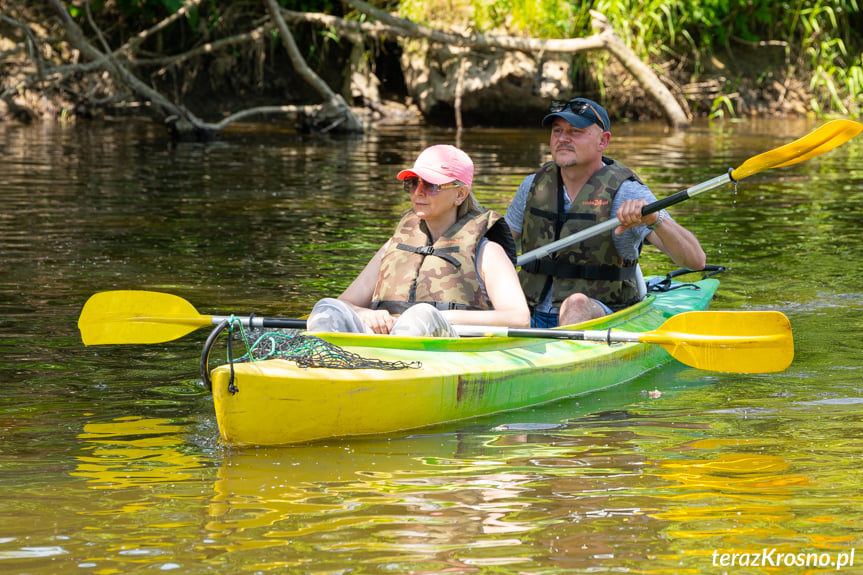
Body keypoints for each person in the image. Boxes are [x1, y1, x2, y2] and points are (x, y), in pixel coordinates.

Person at [505, 97, 706, 328]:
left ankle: (567, 359)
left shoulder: (627, 192)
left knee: (576, 304)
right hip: (526, 310)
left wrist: (654, 218)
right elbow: (500, 249)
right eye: (557, 131)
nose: (562, 139)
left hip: (603, 312)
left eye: (575, 131)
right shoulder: (532, 186)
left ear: (603, 141)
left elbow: (696, 261)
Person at [307, 144, 530, 336]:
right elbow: (346, 301)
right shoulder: (395, 245)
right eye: (413, 183)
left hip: (447, 347)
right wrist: (368, 314)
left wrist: (438, 317)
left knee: (419, 318)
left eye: (431, 185)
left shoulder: (488, 251)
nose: (418, 192)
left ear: (460, 194)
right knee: (326, 309)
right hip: (384, 342)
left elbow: (519, 318)